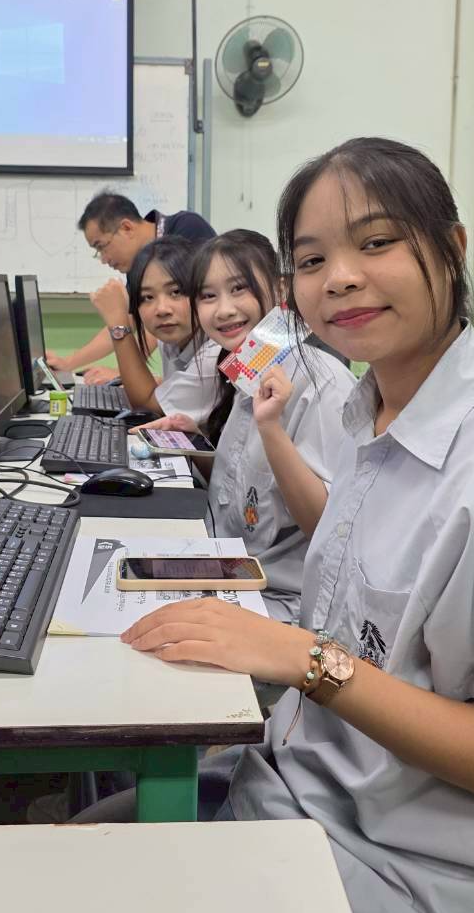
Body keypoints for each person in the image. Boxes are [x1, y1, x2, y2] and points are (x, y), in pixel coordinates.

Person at [120, 138, 474, 913]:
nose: (341, 278)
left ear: (451, 250)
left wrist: (304, 659)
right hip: (296, 789)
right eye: (312, 260)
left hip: (412, 880)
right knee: (67, 856)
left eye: (377, 242)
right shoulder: (368, 414)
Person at [139, 229, 355, 623]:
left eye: (239, 289)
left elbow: (326, 528)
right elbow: (240, 492)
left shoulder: (323, 384)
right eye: (208, 296)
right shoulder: (247, 371)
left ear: (280, 289)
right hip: (227, 566)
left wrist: (271, 429)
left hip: (280, 601)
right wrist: (194, 445)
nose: (224, 310)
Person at [45, 191, 215, 382]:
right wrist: (68, 363)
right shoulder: (141, 264)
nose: (103, 259)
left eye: (101, 246)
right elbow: (127, 320)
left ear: (126, 228)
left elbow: (161, 320)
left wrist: (126, 373)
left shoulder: (188, 228)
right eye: (148, 298)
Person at [90, 235, 221, 422]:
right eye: (147, 297)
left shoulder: (214, 355)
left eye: (175, 292)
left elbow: (146, 406)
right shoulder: (171, 340)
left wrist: (118, 324)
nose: (162, 309)